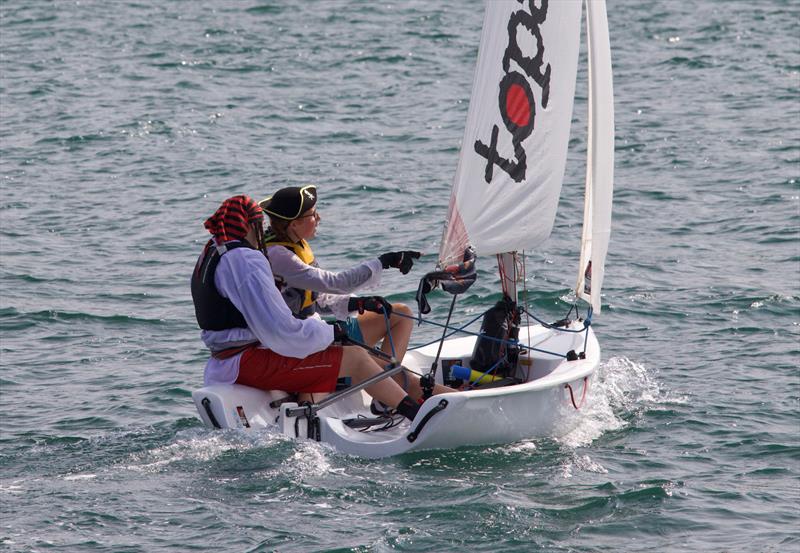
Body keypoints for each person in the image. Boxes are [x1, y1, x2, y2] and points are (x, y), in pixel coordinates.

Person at [190, 195, 421, 421]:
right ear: (249, 225)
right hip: (247, 360)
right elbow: (281, 331)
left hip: (231, 359)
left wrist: (353, 306)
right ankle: (416, 415)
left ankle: (397, 404)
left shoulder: (215, 251)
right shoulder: (246, 260)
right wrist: (332, 332)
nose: (261, 231)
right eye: (258, 225)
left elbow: (309, 301)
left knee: (358, 354)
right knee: (356, 359)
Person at [258, 185, 453, 402]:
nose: (319, 217)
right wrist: (383, 262)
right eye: (313, 214)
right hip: (303, 343)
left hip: (318, 331)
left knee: (400, 314)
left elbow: (316, 297)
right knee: (400, 376)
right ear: (294, 224)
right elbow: (335, 283)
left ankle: (382, 395)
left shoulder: (294, 244)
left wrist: (359, 304)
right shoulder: (278, 255)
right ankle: (456, 398)